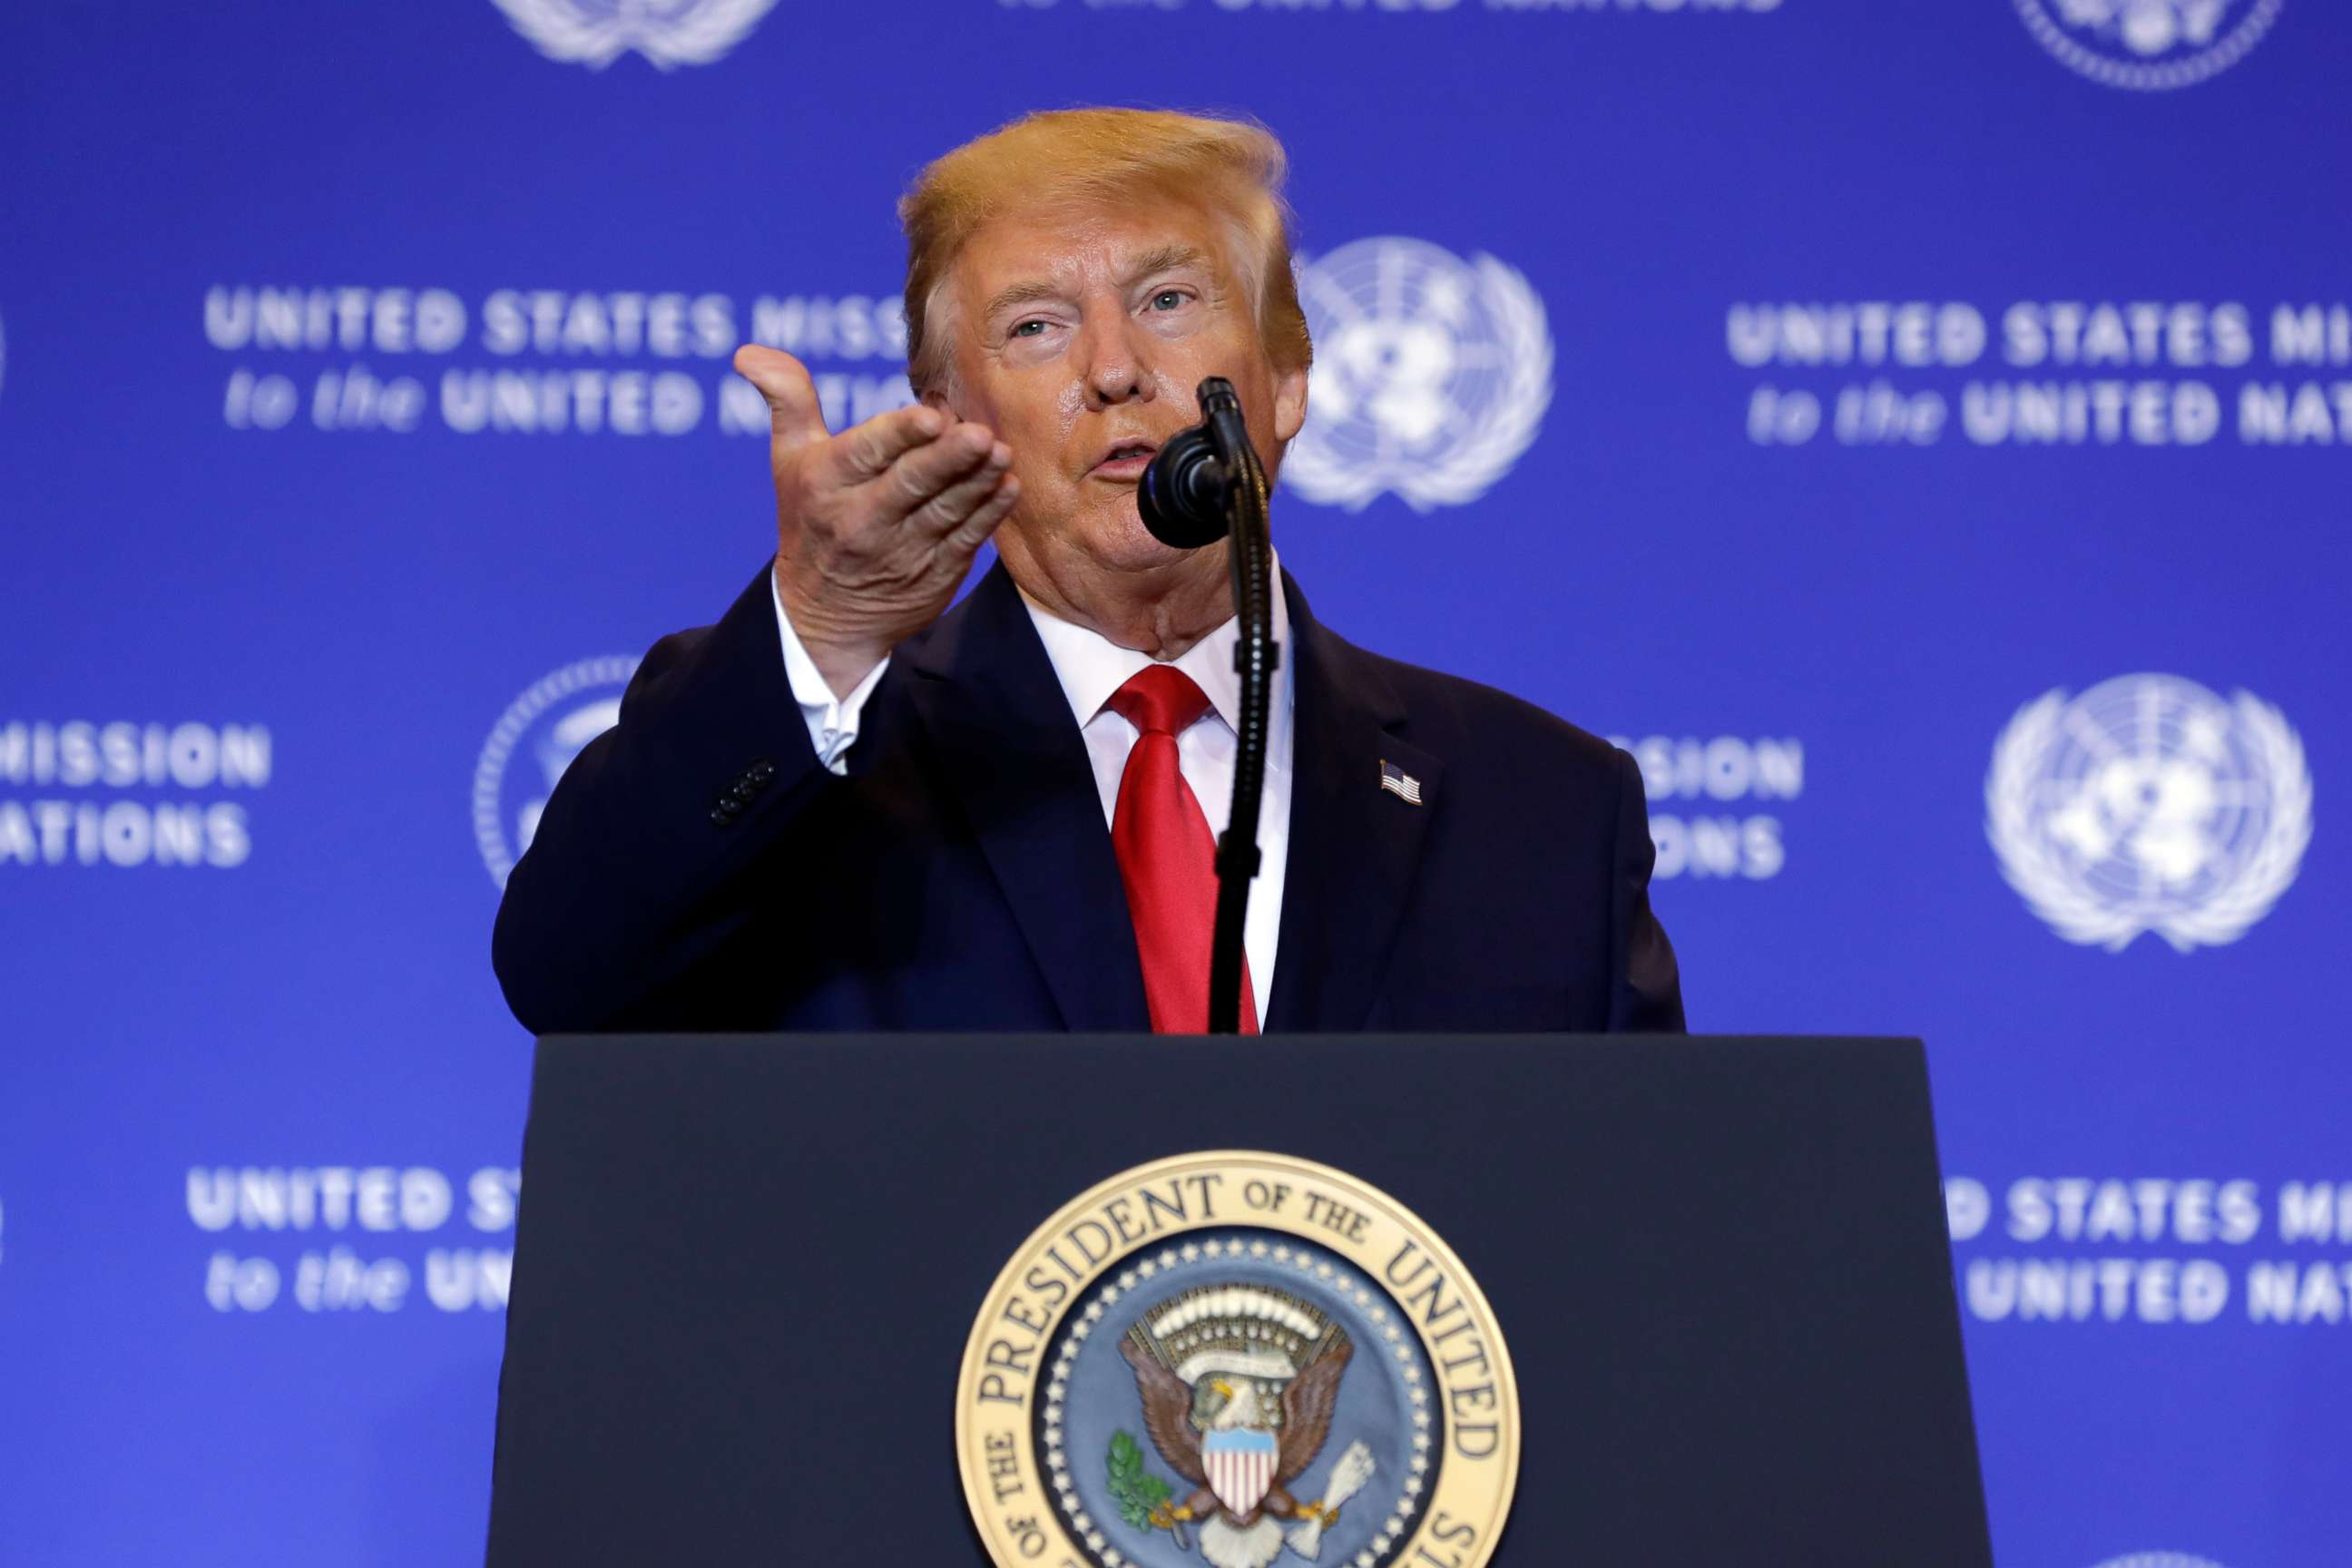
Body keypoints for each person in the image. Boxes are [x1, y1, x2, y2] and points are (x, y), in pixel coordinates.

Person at [493, 107, 1682, 1036]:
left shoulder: (1546, 809)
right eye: (1037, 326)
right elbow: (565, 968)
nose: (1115, 369)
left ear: (1286, 382)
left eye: (1168, 299)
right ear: (951, 416)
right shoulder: (821, 763)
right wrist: (821, 623)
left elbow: (1634, 1244)